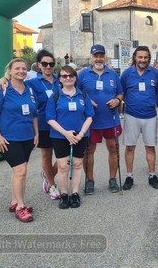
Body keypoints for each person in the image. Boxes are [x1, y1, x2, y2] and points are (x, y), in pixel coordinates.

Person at [0, 50, 60, 200]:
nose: (48, 66)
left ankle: (47, 173)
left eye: (51, 64)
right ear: (39, 65)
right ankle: (51, 184)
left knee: (66, 158)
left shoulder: (61, 79)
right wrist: (3, 79)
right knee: (47, 155)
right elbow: (15, 81)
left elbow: (74, 83)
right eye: (44, 64)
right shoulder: (32, 83)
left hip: (60, 124)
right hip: (43, 124)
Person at [0, 58, 38, 222]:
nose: (21, 71)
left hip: (27, 137)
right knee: (20, 171)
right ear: (9, 71)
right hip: (8, 138)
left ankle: (15, 200)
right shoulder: (2, 87)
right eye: (17, 68)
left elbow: (34, 114)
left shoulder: (29, 89)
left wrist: (36, 134)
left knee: (20, 171)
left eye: (24, 68)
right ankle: (21, 207)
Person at [77, 44, 123, 194]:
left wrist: (117, 100)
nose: (98, 59)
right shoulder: (83, 74)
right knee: (89, 151)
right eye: (95, 56)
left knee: (113, 149)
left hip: (111, 119)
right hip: (91, 120)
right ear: (91, 58)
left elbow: (120, 93)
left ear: (105, 57)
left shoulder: (112, 74)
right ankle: (89, 181)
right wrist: (86, 100)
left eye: (101, 56)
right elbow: (74, 91)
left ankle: (112, 179)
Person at [47, 66, 94, 209]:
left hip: (80, 136)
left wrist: (80, 134)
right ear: (60, 79)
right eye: (64, 76)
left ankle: (74, 193)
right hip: (60, 136)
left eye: (71, 76)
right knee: (62, 166)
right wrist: (65, 133)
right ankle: (64, 194)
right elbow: (50, 118)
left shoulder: (83, 95)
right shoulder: (55, 96)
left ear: (75, 78)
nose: (68, 78)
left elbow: (90, 116)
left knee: (78, 164)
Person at [120, 46, 158, 190]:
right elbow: (122, 93)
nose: (142, 60)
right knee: (130, 147)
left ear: (149, 58)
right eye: (140, 57)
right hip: (131, 115)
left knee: (150, 147)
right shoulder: (126, 74)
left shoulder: (155, 73)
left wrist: (150, 103)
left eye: (145, 57)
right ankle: (129, 176)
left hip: (150, 116)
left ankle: (152, 175)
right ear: (135, 58)